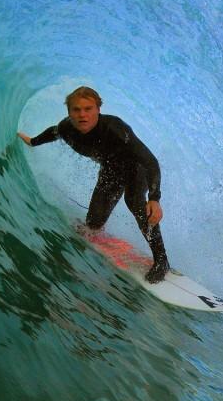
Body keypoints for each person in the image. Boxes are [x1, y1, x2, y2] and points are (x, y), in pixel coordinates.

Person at [17, 86, 170, 283]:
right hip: (110, 173)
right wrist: (33, 141)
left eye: (88, 109)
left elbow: (150, 161)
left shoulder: (115, 128)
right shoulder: (66, 128)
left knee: (135, 204)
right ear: (69, 111)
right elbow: (53, 133)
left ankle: (161, 261)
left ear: (98, 109)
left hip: (135, 170)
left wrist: (154, 199)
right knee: (93, 225)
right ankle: (100, 233)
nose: (82, 115)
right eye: (76, 109)